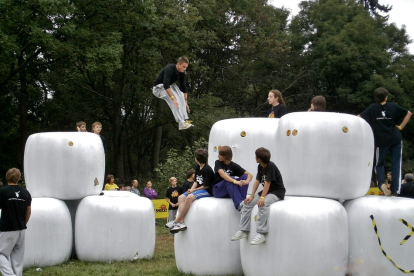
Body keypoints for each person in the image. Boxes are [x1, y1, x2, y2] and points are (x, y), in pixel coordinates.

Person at [358, 87, 412, 196]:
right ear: (386, 97)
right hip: (395, 138)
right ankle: (395, 190)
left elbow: (359, 117)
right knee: (396, 163)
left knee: (379, 163)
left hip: (380, 140)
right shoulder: (393, 106)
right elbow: (409, 113)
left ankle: (381, 183)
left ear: (375, 98)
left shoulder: (372, 108)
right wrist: (401, 127)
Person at [231, 147, 285, 245]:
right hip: (267, 191)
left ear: (260, 158)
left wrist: (262, 197)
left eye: (256, 156)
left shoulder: (271, 166)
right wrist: (252, 196)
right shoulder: (260, 166)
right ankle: (243, 230)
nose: (255, 157)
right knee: (247, 203)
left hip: (276, 191)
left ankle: (261, 233)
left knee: (262, 204)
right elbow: (257, 181)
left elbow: (267, 182)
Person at [166, 149, 214, 234]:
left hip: (207, 190)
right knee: (181, 197)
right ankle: (181, 222)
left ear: (197, 159)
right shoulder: (198, 167)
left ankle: (176, 221)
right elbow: (196, 181)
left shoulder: (208, 169)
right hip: (198, 189)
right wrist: (191, 189)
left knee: (189, 197)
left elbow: (206, 185)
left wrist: (194, 190)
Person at [0, 168, 32, 276]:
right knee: (17, 257)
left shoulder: (3, 191)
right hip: (21, 228)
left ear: (6, 177)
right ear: (18, 178)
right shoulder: (25, 192)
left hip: (7, 227)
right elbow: (28, 211)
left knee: (1, 253)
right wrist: (24, 223)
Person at [152, 56, 193, 130]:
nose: (185, 69)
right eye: (183, 67)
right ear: (178, 64)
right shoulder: (169, 69)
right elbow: (166, 84)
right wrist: (173, 99)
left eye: (186, 67)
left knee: (180, 95)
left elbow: (184, 87)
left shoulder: (181, 73)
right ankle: (181, 123)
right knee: (175, 99)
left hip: (168, 87)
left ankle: (185, 120)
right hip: (158, 88)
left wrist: (185, 102)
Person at [213, 146, 253, 211]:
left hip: (229, 191)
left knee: (244, 177)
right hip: (218, 190)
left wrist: (246, 181)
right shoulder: (218, 163)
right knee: (230, 178)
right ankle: (238, 204)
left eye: (220, 155)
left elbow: (250, 175)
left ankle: (242, 202)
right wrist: (235, 181)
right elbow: (222, 174)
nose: (218, 156)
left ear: (225, 156)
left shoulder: (233, 165)